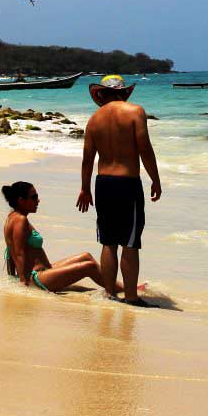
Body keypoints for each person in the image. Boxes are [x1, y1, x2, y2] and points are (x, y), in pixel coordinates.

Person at [77, 74, 162, 306]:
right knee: (130, 242)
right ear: (124, 92)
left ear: (102, 95)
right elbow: (145, 149)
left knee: (108, 242)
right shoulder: (135, 112)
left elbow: (87, 160)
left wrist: (85, 189)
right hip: (127, 183)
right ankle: (132, 297)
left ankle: (109, 294)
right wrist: (155, 179)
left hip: (103, 183)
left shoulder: (94, 120)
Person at [2, 180, 125, 293]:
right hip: (37, 278)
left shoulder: (12, 217)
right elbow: (18, 253)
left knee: (86, 256)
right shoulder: (20, 220)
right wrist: (23, 284)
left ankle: (120, 287)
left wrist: (12, 276)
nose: (38, 200)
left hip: (44, 271)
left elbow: (10, 249)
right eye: (34, 197)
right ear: (21, 201)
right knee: (90, 267)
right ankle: (121, 290)